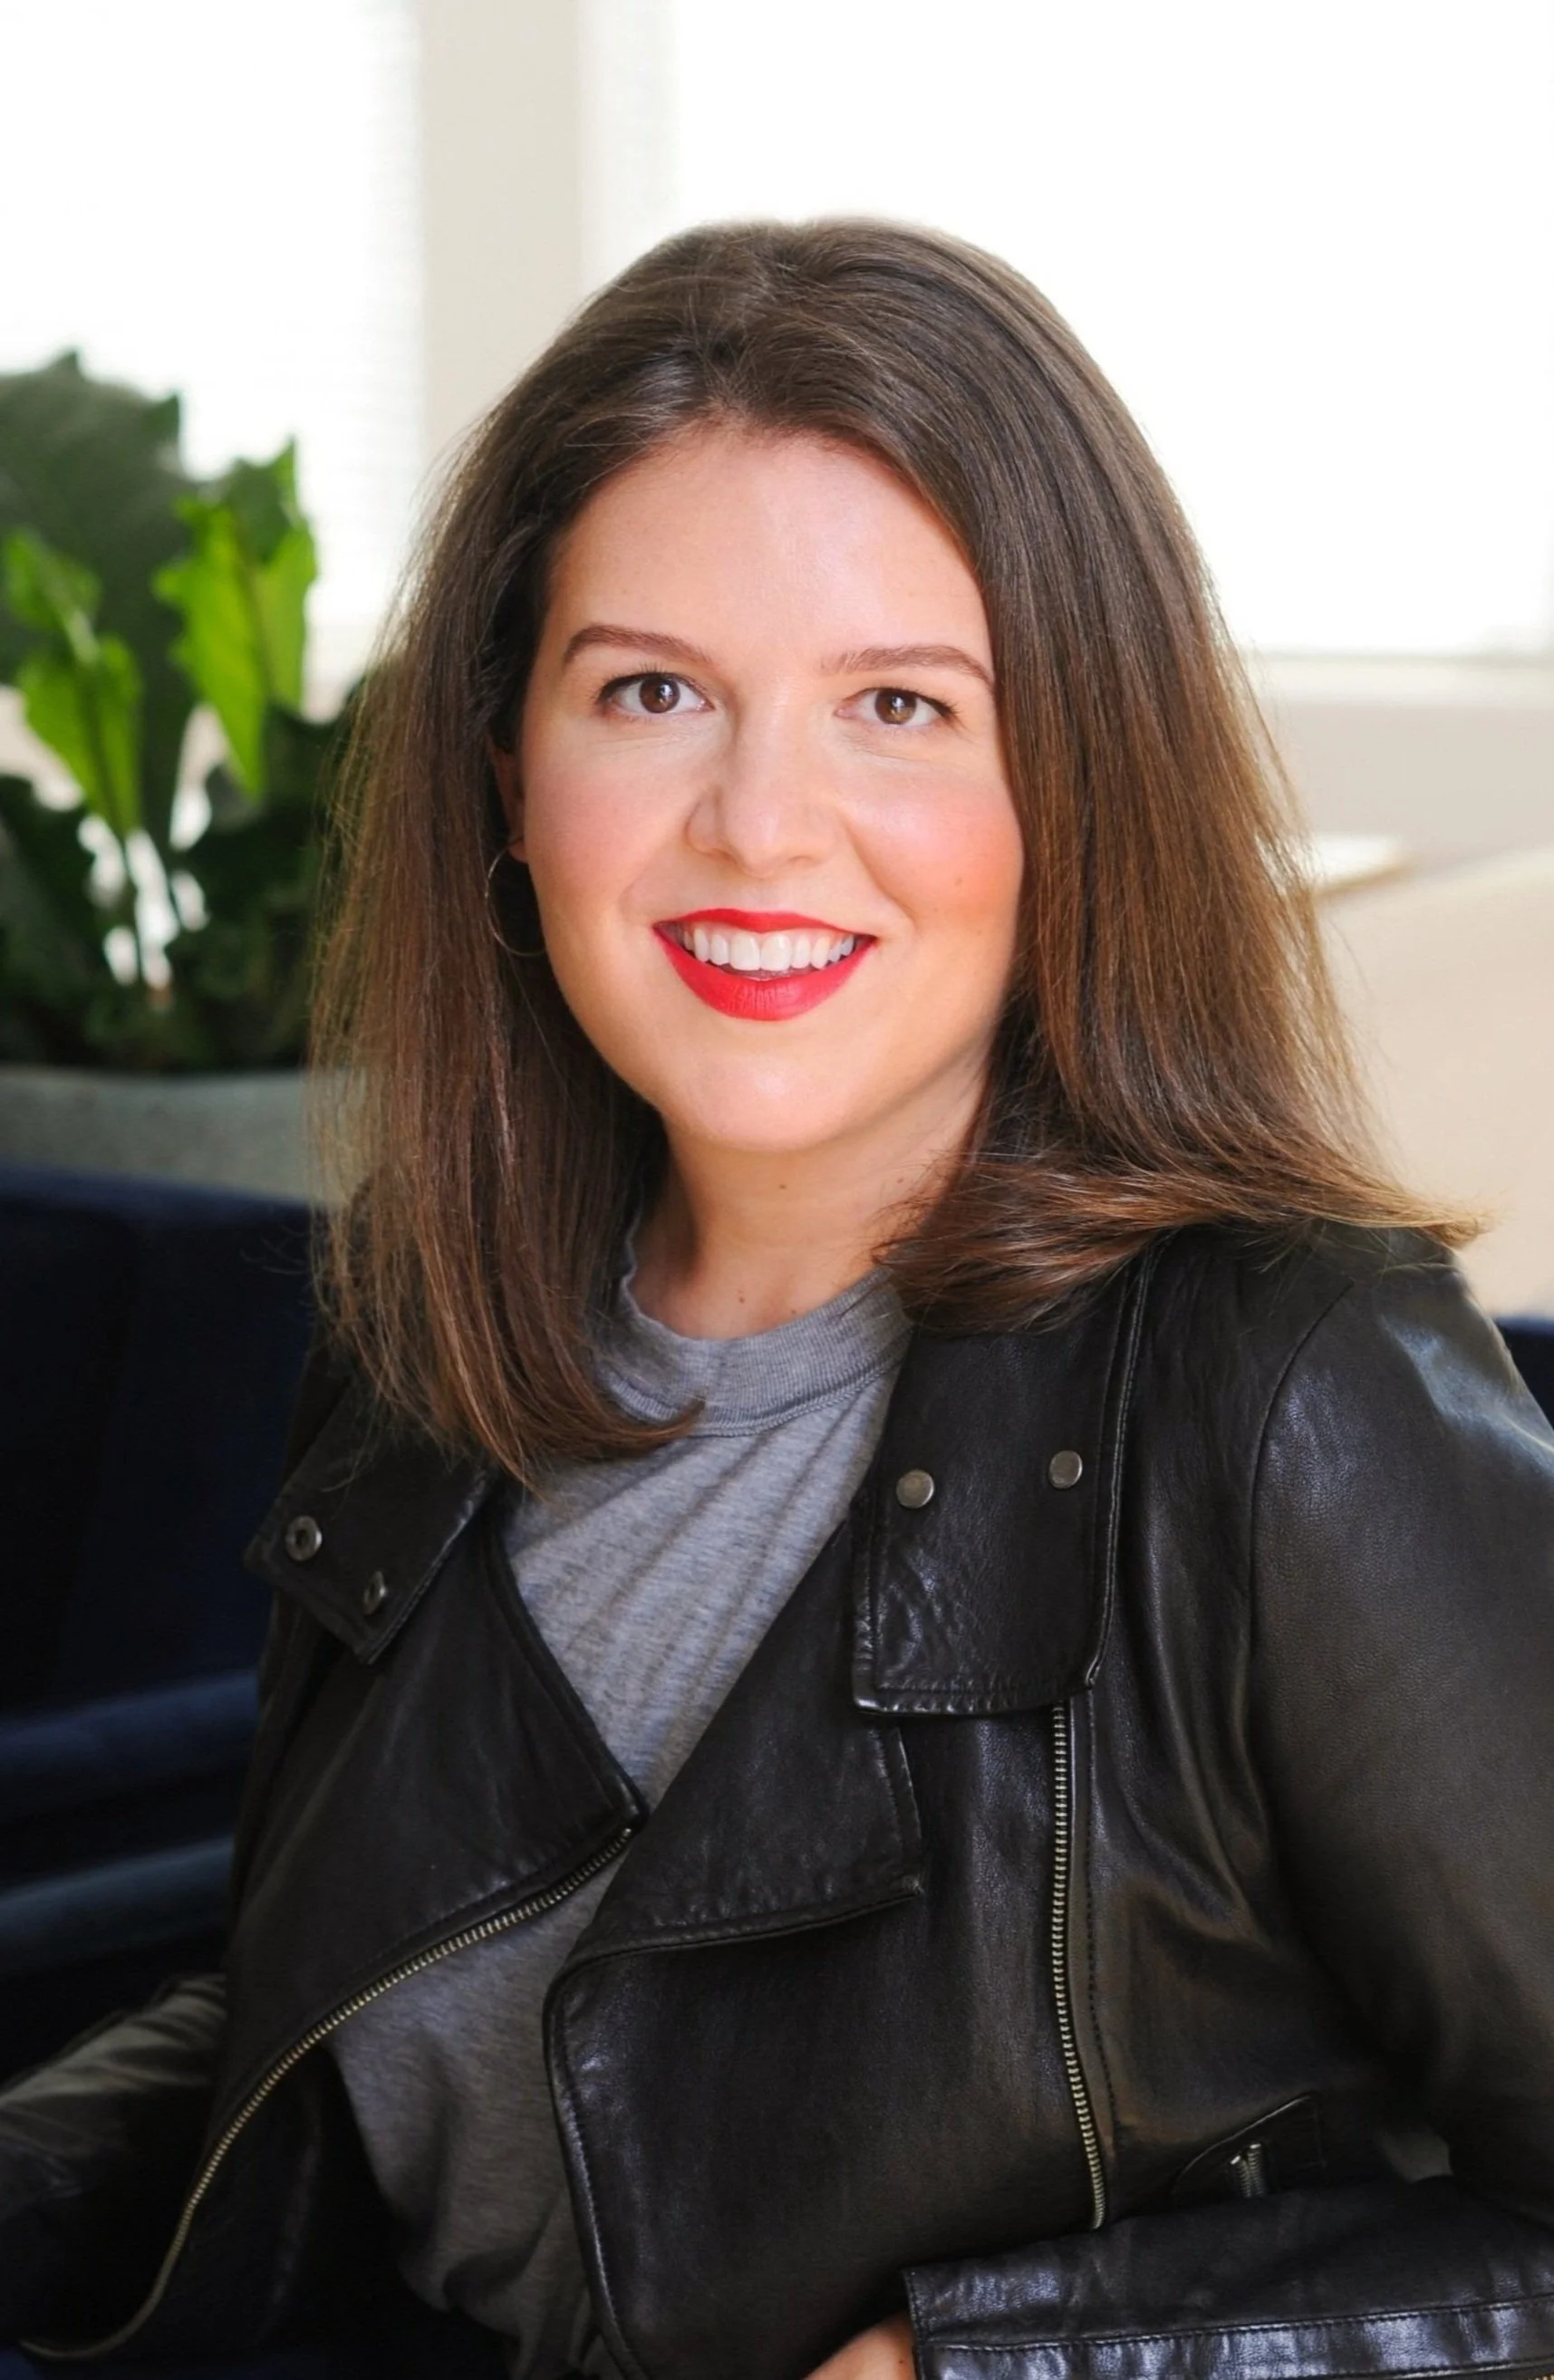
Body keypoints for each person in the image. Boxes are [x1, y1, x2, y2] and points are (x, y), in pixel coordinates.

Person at [3, 218, 1553, 2380]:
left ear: (1075, 784)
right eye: (650, 691)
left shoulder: (1293, 1384)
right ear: (506, 771)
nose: (757, 825)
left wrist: (981, 2366)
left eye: (898, 706)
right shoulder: (426, 1327)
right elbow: (354, 2020)